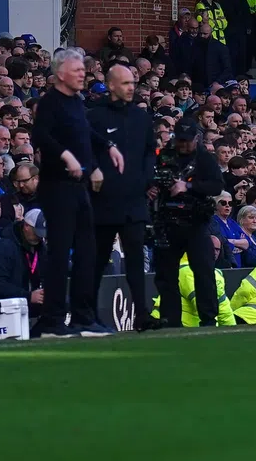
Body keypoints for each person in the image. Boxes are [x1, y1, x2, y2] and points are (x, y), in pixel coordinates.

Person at [29, 48, 115, 337]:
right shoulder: (50, 102)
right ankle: (52, 320)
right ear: (60, 73)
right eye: (78, 70)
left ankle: (83, 316)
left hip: (80, 188)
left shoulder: (77, 102)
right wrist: (66, 156)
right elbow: (41, 135)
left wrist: (107, 149)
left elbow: (85, 134)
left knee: (87, 253)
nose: (83, 74)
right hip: (57, 187)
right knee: (59, 252)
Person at [87, 62, 154, 329]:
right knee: (98, 259)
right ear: (111, 85)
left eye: (133, 84)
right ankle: (88, 312)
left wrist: (147, 177)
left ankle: (142, 314)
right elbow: (85, 149)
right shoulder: (94, 117)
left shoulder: (141, 117)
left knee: (137, 258)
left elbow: (150, 151)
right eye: (125, 83)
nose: (130, 88)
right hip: (103, 200)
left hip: (134, 200)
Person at [151, 118, 224, 329]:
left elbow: (217, 186)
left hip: (195, 222)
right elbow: (152, 176)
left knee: (203, 271)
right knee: (166, 274)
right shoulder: (165, 155)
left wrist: (189, 187)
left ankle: (209, 319)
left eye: (187, 141)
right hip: (167, 221)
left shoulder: (204, 158)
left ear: (196, 139)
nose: (183, 145)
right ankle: (170, 320)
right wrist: (153, 187)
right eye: (180, 140)